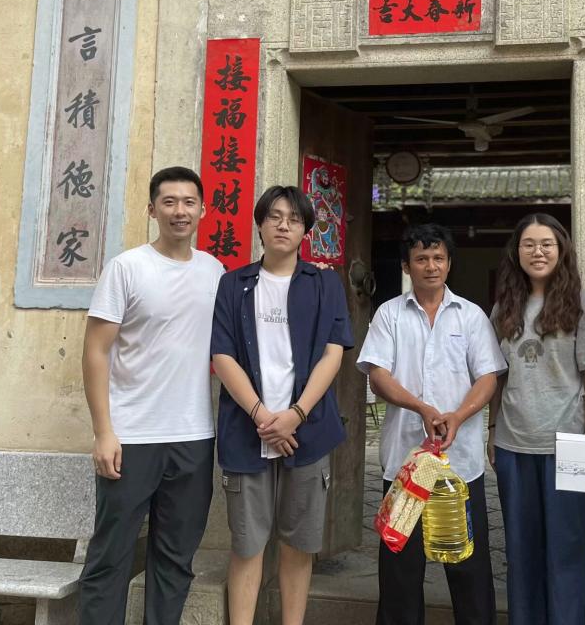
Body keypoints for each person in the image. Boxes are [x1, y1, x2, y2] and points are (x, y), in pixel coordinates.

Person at [79, 166, 225, 625]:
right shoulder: (127, 268)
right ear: (151, 209)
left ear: (203, 210)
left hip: (193, 436)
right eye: (169, 202)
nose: (180, 211)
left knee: (176, 559)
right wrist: (104, 432)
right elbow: (96, 351)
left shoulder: (214, 271)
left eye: (189, 202)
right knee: (112, 556)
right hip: (132, 435)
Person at [210, 185, 353, 625]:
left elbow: (333, 353)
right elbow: (222, 355)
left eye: (294, 218)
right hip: (246, 430)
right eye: (274, 216)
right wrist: (261, 414)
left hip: (307, 432)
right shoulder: (233, 283)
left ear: (306, 229)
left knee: (298, 545)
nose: (283, 225)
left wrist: (295, 415)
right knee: (247, 544)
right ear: (260, 225)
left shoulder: (325, 283)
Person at [358, 223, 506, 625]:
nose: (431, 266)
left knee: (469, 567)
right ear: (407, 266)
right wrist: (421, 407)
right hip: (404, 466)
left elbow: (488, 377)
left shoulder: (471, 316)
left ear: (449, 263)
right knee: (400, 568)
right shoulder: (389, 314)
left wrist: (458, 415)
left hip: (460, 465)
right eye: (421, 259)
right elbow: (378, 375)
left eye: (438, 257)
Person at [488, 213, 585, 625]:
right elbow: (496, 376)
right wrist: (492, 429)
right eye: (529, 244)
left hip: (568, 443)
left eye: (547, 244)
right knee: (520, 550)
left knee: (567, 549)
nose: (537, 252)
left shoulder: (579, 302)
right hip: (513, 443)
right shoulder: (504, 307)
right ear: (517, 252)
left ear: (561, 250)